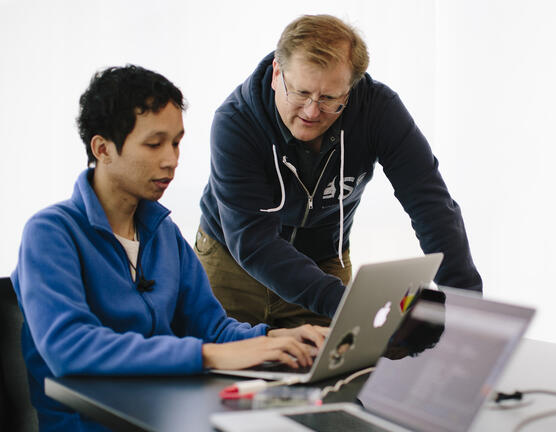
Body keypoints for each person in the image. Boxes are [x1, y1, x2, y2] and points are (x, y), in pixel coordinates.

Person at [10, 65, 327, 432]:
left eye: (176, 142)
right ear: (103, 149)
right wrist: (207, 355)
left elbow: (212, 328)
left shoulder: (164, 233)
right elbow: (70, 348)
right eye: (154, 143)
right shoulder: (50, 233)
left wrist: (272, 340)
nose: (171, 160)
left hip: (166, 415)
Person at [197, 14, 483, 328]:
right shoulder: (236, 123)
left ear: (351, 88)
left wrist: (464, 308)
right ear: (277, 72)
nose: (311, 111)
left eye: (330, 99)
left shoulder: (379, 111)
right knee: (221, 368)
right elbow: (253, 242)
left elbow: (431, 207)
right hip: (231, 262)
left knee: (334, 373)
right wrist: (351, 306)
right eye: (301, 93)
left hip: (322, 261)